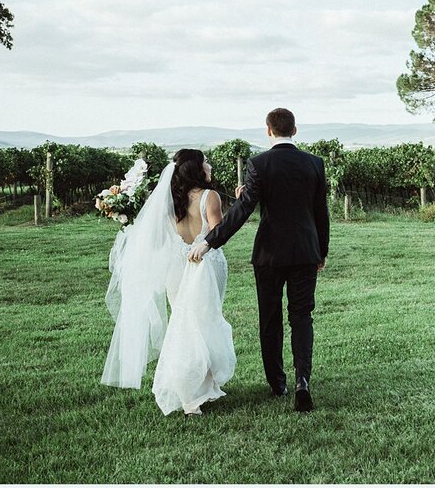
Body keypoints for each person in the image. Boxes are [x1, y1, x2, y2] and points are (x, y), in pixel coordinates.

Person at [188, 108, 329, 412]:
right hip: (306, 251)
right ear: (295, 130)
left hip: (269, 254)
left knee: (270, 318)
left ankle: (278, 384)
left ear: (268, 131)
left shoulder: (259, 164)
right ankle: (303, 380)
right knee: (302, 316)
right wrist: (322, 251)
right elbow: (321, 213)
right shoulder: (314, 164)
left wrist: (210, 241)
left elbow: (241, 212)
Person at [101, 150, 236, 416]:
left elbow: (156, 238)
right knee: (206, 322)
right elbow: (220, 234)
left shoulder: (167, 200)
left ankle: (195, 389)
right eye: (205, 161)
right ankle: (195, 390)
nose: (209, 165)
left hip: (175, 266)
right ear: (197, 168)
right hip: (205, 265)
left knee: (183, 323)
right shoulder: (210, 197)